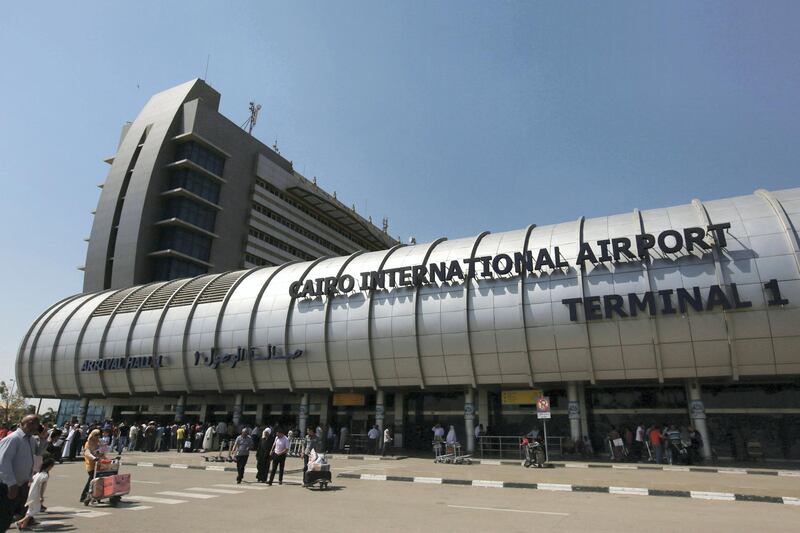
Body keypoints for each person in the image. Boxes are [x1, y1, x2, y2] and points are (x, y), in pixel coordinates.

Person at [0, 415, 46, 531]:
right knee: (3, 518)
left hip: (21, 484)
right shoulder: (13, 439)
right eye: (35, 424)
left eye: (38, 424)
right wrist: (11, 483)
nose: (37, 427)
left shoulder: (30, 439)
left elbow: (38, 453)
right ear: (26, 423)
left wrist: (43, 439)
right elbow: (3, 462)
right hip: (7, 486)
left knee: (10, 516)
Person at [15, 457, 55, 530]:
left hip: (31, 493)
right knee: (35, 510)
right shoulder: (44, 475)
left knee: (30, 510)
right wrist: (41, 496)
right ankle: (20, 522)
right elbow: (42, 487)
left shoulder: (37, 474)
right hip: (36, 495)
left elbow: (30, 484)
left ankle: (23, 525)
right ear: (49, 466)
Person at [80, 429, 103, 503]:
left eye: (98, 435)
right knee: (91, 481)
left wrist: (101, 453)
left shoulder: (97, 442)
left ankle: (97, 496)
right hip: (90, 464)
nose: (97, 437)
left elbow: (100, 450)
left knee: (97, 480)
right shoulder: (88, 443)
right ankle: (84, 496)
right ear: (92, 435)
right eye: (96, 435)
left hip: (98, 463)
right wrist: (94, 458)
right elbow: (87, 453)